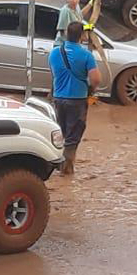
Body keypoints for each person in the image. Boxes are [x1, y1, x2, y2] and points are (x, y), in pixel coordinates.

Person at [49, 21, 102, 175]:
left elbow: (53, 74)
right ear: (82, 37)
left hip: (58, 98)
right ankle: (66, 171)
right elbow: (96, 80)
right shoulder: (86, 55)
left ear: (66, 34)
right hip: (77, 100)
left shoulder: (54, 52)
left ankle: (54, 165)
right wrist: (90, 90)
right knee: (72, 137)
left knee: (60, 133)